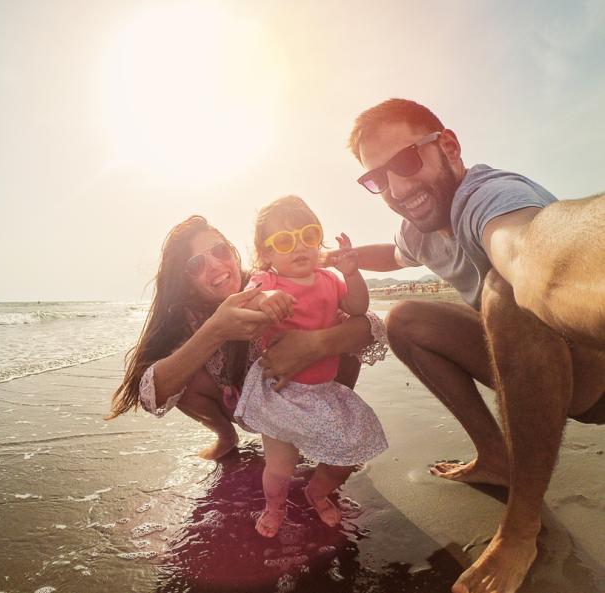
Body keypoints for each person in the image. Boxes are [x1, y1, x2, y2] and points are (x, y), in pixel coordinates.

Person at [347, 98, 605, 593]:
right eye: (377, 179)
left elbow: (526, 244)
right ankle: (494, 457)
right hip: (539, 368)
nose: (398, 189)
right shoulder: (417, 227)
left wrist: (550, 271)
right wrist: (347, 257)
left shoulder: (487, 195)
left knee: (503, 290)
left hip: (594, 374)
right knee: (403, 319)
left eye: (405, 162)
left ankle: (521, 529)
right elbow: (398, 255)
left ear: (447, 145)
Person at [107, 215, 388, 461]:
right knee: (183, 369)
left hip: (304, 394)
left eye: (220, 250)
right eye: (196, 264)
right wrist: (215, 330)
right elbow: (151, 393)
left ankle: (332, 428)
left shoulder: (268, 281)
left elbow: (371, 325)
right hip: (239, 403)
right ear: (186, 282)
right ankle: (226, 436)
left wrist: (314, 345)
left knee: (340, 335)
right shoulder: (185, 316)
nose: (216, 265)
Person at [233, 196, 388, 537]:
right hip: (280, 393)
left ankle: (316, 491)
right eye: (285, 241)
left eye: (308, 234)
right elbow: (248, 301)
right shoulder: (268, 282)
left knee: (346, 453)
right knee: (279, 466)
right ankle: (275, 505)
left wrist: (353, 273)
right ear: (267, 253)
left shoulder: (330, 280)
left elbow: (359, 306)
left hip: (322, 391)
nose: (299, 246)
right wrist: (265, 301)